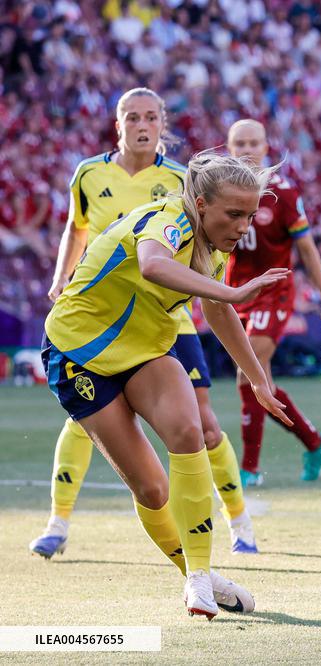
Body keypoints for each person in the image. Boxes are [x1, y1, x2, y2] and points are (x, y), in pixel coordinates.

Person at [43, 152, 289, 618]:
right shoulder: (169, 217)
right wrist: (235, 291)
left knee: (189, 429)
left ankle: (199, 578)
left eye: (250, 215)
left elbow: (218, 312)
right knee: (153, 491)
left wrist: (258, 381)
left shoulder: (214, 249)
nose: (242, 226)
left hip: (146, 350)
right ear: (200, 203)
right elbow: (154, 264)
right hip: (77, 353)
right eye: (233, 214)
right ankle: (196, 575)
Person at [31, 88, 258, 559]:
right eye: (132, 116)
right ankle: (58, 521)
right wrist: (60, 279)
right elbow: (77, 229)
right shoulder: (89, 174)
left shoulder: (185, 183)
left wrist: (258, 376)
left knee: (203, 426)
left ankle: (239, 524)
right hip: (100, 318)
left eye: (151, 117)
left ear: (162, 126)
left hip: (169, 318)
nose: (141, 124)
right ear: (118, 124)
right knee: (87, 425)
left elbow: (198, 268)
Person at [225, 119, 321, 485]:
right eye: (240, 144)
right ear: (229, 149)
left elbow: (309, 252)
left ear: (267, 148)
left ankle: (249, 469)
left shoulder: (283, 194)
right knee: (260, 380)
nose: (247, 150)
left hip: (275, 294)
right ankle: (314, 442)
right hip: (236, 294)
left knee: (247, 373)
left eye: (254, 143)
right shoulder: (220, 192)